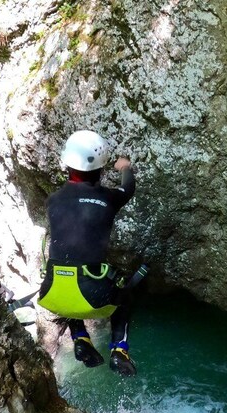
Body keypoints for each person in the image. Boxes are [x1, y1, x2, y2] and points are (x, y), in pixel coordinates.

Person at [37, 130, 137, 377]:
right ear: (101, 166)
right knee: (125, 292)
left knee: (69, 275)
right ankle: (119, 350)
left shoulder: (53, 200)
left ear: (67, 163)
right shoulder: (108, 198)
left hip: (50, 291)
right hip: (91, 295)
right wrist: (125, 167)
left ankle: (80, 337)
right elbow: (128, 188)